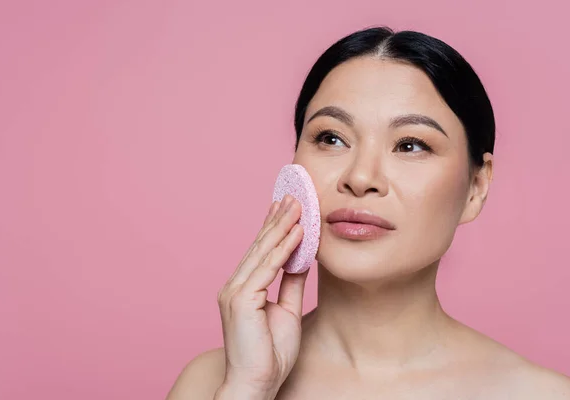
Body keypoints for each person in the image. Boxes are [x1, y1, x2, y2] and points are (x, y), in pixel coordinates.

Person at [167, 26, 570, 399]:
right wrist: (248, 387)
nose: (360, 178)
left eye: (411, 145)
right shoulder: (210, 384)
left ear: (476, 189)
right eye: (331, 138)